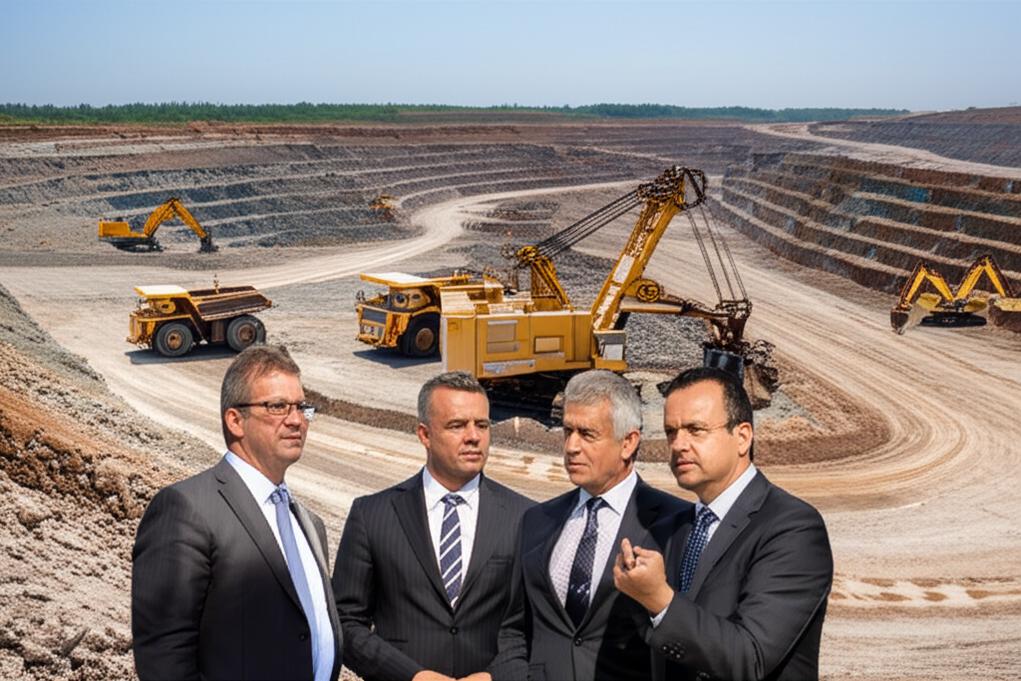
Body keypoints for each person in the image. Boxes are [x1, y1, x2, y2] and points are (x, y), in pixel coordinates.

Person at [131, 345, 342, 680]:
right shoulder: (187, 509)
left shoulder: (310, 525)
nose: (296, 420)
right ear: (235, 420)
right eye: (277, 407)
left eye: (302, 407)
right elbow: (164, 658)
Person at [613, 366, 834, 681]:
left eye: (696, 429)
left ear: (742, 437)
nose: (678, 444)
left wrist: (658, 598)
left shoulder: (792, 528)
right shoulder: (673, 529)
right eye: (671, 432)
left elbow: (751, 657)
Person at [333, 371, 533, 681]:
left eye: (482, 425)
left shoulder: (526, 517)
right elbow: (346, 623)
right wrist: (412, 676)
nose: (473, 436)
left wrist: (494, 677)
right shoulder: (372, 515)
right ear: (424, 435)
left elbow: (537, 627)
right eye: (457, 425)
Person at [490, 370, 689, 681]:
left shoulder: (677, 525)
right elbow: (513, 629)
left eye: (587, 434)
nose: (571, 446)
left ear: (628, 443)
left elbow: (687, 639)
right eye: (568, 431)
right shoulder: (537, 520)